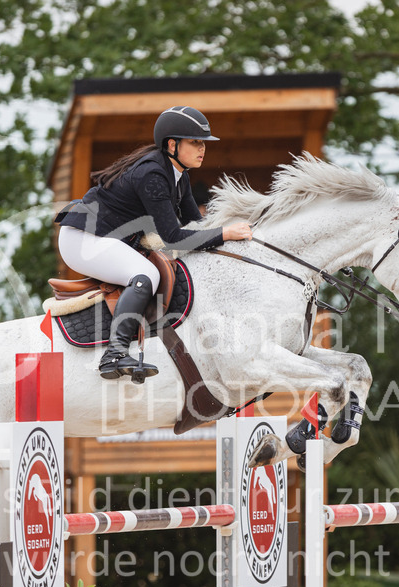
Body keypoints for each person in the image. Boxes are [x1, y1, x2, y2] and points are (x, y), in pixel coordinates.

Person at [56, 105, 253, 381]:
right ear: (172, 144)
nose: (202, 149)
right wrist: (225, 233)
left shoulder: (179, 175)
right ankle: (114, 353)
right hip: (83, 239)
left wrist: (228, 233)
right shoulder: (153, 174)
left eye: (203, 143)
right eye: (195, 142)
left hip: (103, 236)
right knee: (144, 274)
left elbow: (195, 227)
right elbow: (174, 238)